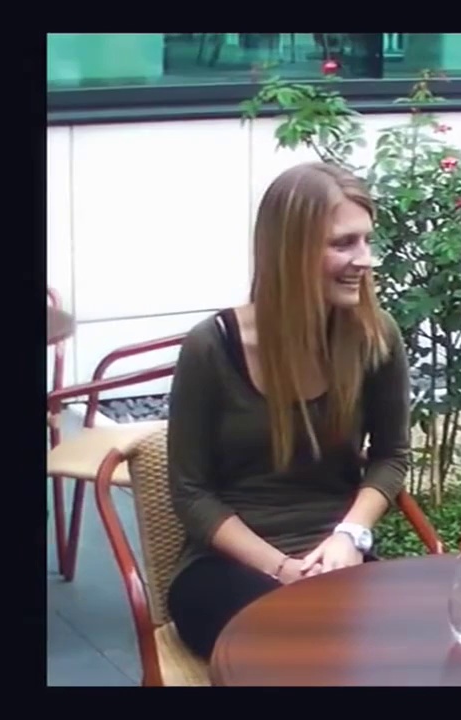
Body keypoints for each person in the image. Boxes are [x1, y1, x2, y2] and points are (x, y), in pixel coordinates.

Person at [165, 162, 412, 660]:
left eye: (367, 240)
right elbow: (191, 493)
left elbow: (391, 456)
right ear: (289, 250)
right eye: (343, 243)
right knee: (294, 646)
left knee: (407, 646)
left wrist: (349, 536)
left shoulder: (374, 336)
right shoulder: (211, 347)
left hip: (336, 554)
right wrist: (280, 568)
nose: (365, 260)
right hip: (228, 566)